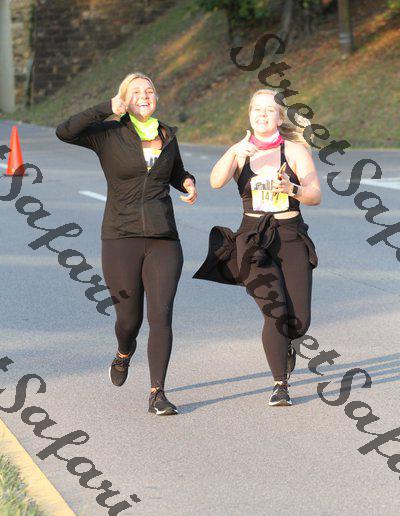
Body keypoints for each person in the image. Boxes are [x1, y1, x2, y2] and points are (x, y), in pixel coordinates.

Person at [56, 72, 197, 416]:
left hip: (163, 237)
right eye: (136, 91)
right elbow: (65, 131)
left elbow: (175, 171)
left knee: (161, 316)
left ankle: (157, 393)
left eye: (149, 90)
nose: (144, 95)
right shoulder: (109, 133)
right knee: (129, 321)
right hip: (120, 237)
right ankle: (123, 352)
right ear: (124, 98)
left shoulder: (167, 134)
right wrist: (106, 108)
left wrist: (187, 182)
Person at [193, 88, 321, 406]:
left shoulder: (293, 151)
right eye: (257, 109)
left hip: (290, 236)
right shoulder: (241, 152)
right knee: (274, 312)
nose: (262, 114)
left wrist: (292, 188)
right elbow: (216, 181)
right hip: (252, 241)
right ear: (249, 114)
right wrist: (234, 150)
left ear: (279, 117)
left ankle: (287, 343)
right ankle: (280, 384)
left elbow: (315, 194)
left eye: (269, 110)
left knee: (299, 321)